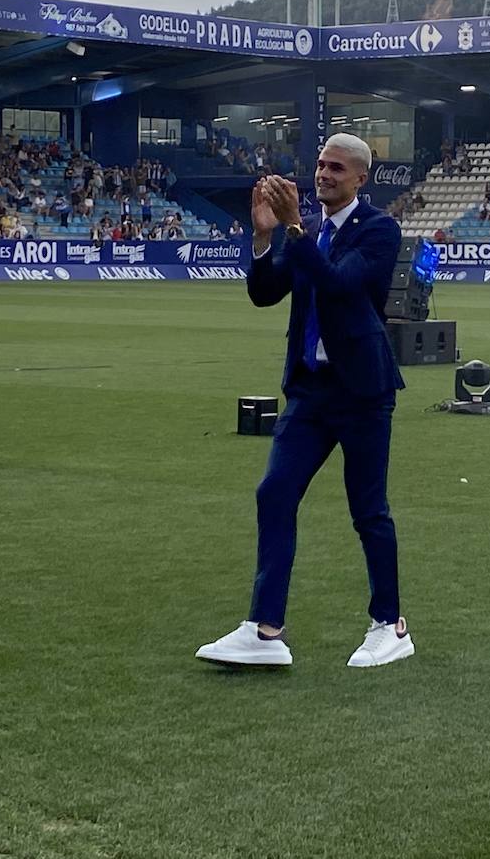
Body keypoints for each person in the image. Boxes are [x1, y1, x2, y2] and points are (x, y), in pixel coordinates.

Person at [196, 133, 412, 670]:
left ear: (361, 178)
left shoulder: (381, 230)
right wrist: (264, 237)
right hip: (310, 390)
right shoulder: (308, 232)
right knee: (274, 493)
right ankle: (265, 630)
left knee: (368, 511)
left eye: (336, 168)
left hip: (362, 392)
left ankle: (390, 625)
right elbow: (265, 293)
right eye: (319, 165)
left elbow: (340, 285)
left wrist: (294, 229)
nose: (323, 174)